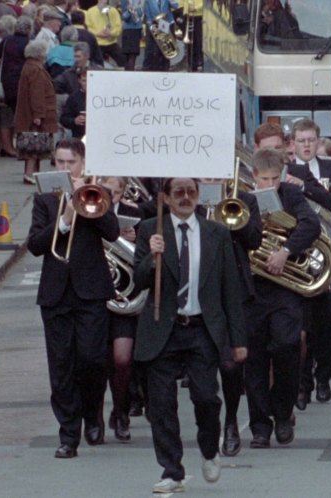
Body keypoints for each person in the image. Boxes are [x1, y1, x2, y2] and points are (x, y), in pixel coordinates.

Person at [132, 177, 248, 494]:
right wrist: (150, 257)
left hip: (202, 329)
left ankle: (210, 449)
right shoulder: (149, 230)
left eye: (191, 192)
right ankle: (172, 470)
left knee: (207, 398)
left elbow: (230, 290)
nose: (186, 198)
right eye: (179, 193)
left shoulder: (217, 233)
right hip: (163, 330)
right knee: (162, 404)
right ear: (166, 198)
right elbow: (138, 280)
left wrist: (238, 340)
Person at [26, 138, 120, 458]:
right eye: (59, 163)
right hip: (55, 294)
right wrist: (65, 219)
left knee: (93, 359)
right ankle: (69, 434)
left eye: (71, 163)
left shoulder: (96, 193)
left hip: (91, 290)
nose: (65, 168)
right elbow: (36, 244)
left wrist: (87, 203)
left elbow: (112, 232)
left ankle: (92, 410)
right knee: (61, 367)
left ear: (83, 165)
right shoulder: (44, 199)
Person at [243, 148, 320, 449]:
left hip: (284, 289)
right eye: (264, 179)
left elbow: (311, 225)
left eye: (275, 178)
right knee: (255, 360)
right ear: (254, 177)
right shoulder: (245, 200)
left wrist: (285, 251)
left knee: (288, 348)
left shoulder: (290, 195)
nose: (270, 184)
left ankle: (283, 413)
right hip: (253, 290)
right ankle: (260, 427)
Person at [290, 119, 331, 409]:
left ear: (317, 142)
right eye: (301, 140)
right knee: (304, 323)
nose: (306, 145)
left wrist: (307, 186)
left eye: (311, 140)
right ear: (292, 144)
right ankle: (303, 384)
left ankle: (324, 373)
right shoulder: (283, 171)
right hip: (301, 258)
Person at [97, 176, 144, 442]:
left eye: (115, 193)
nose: (111, 197)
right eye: (107, 191)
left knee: (123, 358)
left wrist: (135, 239)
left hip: (124, 298)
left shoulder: (133, 213)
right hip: (96, 297)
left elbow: (146, 255)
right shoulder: (87, 208)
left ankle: (121, 410)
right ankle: (95, 417)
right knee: (95, 362)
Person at [218, 179, 263, 457]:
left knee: (232, 365)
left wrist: (233, 217)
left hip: (233, 290)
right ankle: (211, 423)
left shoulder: (245, 199)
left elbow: (254, 239)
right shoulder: (185, 198)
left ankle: (231, 420)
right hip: (197, 295)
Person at [14, 39, 57, 184]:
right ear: (39, 54)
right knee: (34, 146)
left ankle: (33, 174)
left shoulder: (29, 67)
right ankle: (30, 173)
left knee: (33, 146)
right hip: (36, 115)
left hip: (29, 114)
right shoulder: (36, 70)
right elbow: (36, 94)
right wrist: (38, 115)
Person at [0, 15, 31, 158]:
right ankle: (21, 148)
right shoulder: (29, 43)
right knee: (22, 116)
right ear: (29, 29)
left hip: (6, 82)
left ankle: (7, 146)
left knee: (6, 114)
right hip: (22, 83)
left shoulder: (7, 41)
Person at [143, 0, 180, 72]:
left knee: (167, 48)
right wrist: (152, 27)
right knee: (155, 50)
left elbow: (176, 6)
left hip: (167, 23)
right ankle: (155, 69)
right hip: (155, 25)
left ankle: (165, 69)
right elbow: (148, 16)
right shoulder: (148, 1)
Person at [85, 0, 122, 67]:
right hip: (97, 43)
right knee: (96, 63)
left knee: (123, 59)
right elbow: (88, 28)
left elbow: (118, 26)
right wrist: (98, 33)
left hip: (111, 42)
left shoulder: (113, 11)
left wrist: (111, 33)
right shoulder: (90, 11)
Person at [59, 68, 86, 138]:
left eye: (90, 80)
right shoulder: (73, 98)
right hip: (79, 137)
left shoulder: (102, 96)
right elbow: (63, 119)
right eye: (84, 80)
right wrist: (74, 121)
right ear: (79, 80)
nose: (87, 83)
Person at [119, 0, 142, 71]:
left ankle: (131, 73)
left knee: (134, 54)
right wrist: (129, 11)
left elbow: (140, 14)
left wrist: (136, 10)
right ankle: (128, 74)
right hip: (128, 29)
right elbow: (124, 17)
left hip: (137, 28)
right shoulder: (125, 1)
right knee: (127, 55)